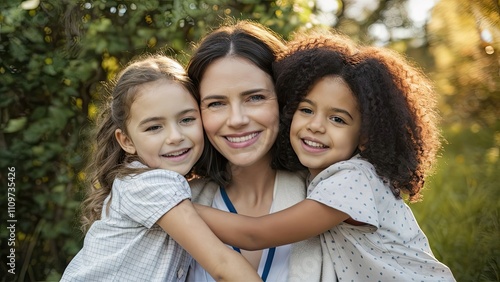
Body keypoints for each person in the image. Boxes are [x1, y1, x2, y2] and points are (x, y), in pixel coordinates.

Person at [194, 32, 456, 281]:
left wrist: (176, 206)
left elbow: (255, 234)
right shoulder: (324, 178)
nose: (316, 126)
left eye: (338, 119)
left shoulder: (352, 180)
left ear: (366, 135)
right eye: (306, 110)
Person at [60, 54, 261, 282]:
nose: (175, 137)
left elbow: (245, 231)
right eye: (154, 127)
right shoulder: (150, 184)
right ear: (126, 141)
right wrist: (311, 210)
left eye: (186, 120)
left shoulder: (158, 188)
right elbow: (225, 261)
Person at [185, 20, 325, 282]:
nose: (236, 119)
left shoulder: (328, 194)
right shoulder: (175, 199)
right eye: (216, 103)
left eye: (255, 97)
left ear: (285, 100)